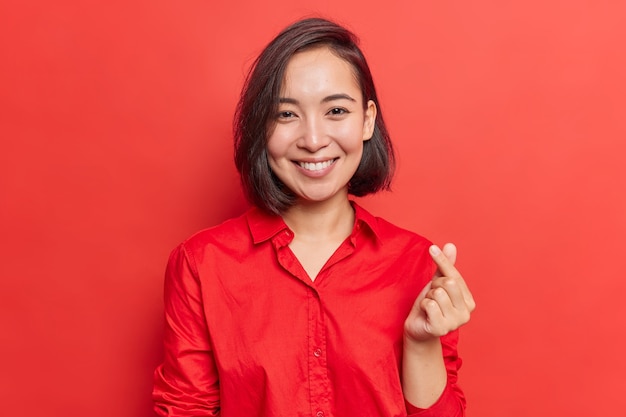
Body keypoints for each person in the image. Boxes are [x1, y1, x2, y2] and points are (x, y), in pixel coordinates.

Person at [153, 17, 475, 417]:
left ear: (367, 120)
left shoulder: (415, 265)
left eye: (336, 110)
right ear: (262, 128)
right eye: (286, 115)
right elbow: (186, 409)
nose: (313, 139)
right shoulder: (202, 264)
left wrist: (421, 342)